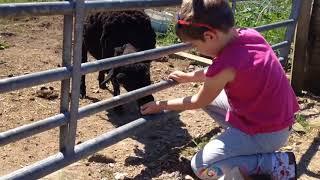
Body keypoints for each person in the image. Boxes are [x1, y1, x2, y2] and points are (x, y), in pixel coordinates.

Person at [140, 0, 299, 179]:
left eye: (195, 46)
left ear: (209, 36)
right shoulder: (249, 35)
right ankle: (241, 144)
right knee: (210, 99)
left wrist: (160, 105)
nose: (197, 50)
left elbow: (199, 100)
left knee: (201, 167)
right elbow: (221, 72)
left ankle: (273, 163)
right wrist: (190, 77)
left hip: (268, 134)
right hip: (278, 120)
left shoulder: (225, 66)